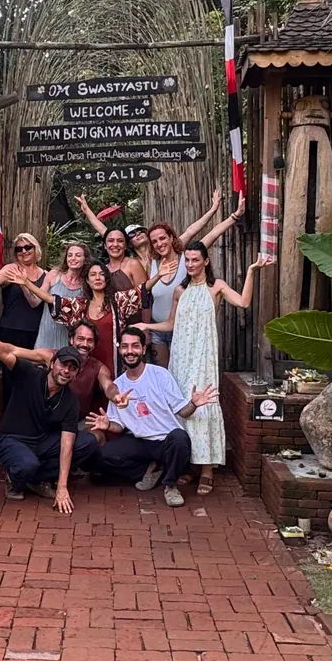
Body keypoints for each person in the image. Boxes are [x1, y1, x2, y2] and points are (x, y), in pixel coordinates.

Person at [144, 239, 269, 496]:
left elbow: (244, 302)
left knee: (205, 407)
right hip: (181, 357)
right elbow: (170, 325)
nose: (190, 264)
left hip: (204, 356)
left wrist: (252, 271)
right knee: (183, 407)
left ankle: (208, 470)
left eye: (195, 260)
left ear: (206, 262)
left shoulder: (217, 287)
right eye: (187, 260)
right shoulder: (180, 290)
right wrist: (148, 327)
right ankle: (189, 465)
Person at [0, 307, 99, 512]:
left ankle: (35, 478)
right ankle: (16, 477)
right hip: (13, 439)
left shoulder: (70, 400)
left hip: (42, 442)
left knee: (87, 442)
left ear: (76, 373)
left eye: (72, 368)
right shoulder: (28, 374)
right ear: (52, 363)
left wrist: (62, 487)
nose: (66, 371)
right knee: (26, 465)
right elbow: (5, 351)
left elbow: (67, 445)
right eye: (63, 365)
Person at [85, 324, 218, 507]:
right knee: (100, 458)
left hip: (165, 441)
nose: (129, 351)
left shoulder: (160, 375)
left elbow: (183, 412)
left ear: (143, 349)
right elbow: (119, 426)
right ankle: (148, 470)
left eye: (135, 346)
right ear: (120, 350)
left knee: (180, 438)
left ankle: (170, 486)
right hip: (140, 442)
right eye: (125, 346)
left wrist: (194, 403)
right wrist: (108, 425)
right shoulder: (118, 385)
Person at [0, 303, 114, 423]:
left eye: (90, 340)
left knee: (96, 437)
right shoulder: (52, 356)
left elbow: (108, 386)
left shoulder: (98, 368)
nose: (84, 344)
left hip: (76, 422)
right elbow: (10, 350)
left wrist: (116, 396)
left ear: (94, 344)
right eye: (80, 339)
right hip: (48, 418)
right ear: (71, 339)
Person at [142, 191, 241, 362]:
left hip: (183, 328)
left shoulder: (187, 260)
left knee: (183, 372)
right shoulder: (152, 264)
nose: (159, 244)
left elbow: (208, 233)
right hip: (158, 329)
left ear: (171, 237)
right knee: (164, 375)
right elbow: (145, 293)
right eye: (154, 242)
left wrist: (228, 214)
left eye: (162, 238)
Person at [36, 239, 91, 351]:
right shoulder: (54, 275)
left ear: (85, 260)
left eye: (78, 255)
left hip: (70, 335)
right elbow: (36, 300)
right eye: (70, 255)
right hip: (48, 331)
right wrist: (24, 283)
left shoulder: (87, 284)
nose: (73, 258)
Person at [77, 260, 118, 371]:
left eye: (102, 274)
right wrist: (27, 283)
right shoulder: (80, 306)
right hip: (87, 360)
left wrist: (158, 275)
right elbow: (52, 300)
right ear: (87, 280)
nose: (98, 278)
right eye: (93, 275)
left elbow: (140, 290)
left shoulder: (118, 302)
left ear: (107, 279)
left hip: (113, 361)